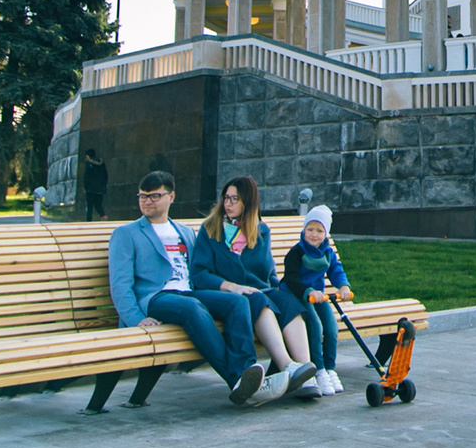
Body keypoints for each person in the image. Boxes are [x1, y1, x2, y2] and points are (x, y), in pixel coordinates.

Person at [108, 171, 266, 407]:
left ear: (171, 197)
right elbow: (120, 284)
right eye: (142, 196)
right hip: (156, 298)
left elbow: (198, 273)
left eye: (154, 196)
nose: (146, 201)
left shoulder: (185, 232)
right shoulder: (126, 234)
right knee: (191, 307)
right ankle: (236, 380)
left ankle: (247, 371)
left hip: (189, 294)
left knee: (237, 301)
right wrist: (136, 319)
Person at [197, 177, 320, 400]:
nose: (228, 204)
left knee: (288, 302)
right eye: (226, 198)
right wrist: (231, 286)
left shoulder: (260, 231)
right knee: (257, 299)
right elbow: (199, 273)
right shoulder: (210, 229)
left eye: (235, 199)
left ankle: (305, 373)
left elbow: (268, 272)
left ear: (249, 202)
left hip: (258, 290)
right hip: (224, 294)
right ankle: (287, 365)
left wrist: (281, 292)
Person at [283, 204, 353, 395]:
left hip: (318, 296)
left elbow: (336, 270)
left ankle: (330, 368)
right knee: (315, 326)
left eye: (319, 230)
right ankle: (319, 369)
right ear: (304, 230)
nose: (314, 234)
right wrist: (308, 291)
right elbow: (291, 278)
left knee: (331, 327)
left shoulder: (327, 253)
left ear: (326, 233)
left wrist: (343, 286)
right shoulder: (296, 253)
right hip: (298, 295)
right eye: (310, 229)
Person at [81, 149, 110, 221]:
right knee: (98, 204)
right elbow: (106, 175)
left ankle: (89, 220)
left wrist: (85, 186)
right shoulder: (101, 163)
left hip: (90, 188)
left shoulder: (89, 163)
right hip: (100, 187)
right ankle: (103, 215)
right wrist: (103, 185)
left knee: (89, 205)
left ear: (88, 156)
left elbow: (86, 175)